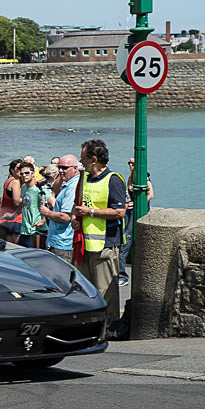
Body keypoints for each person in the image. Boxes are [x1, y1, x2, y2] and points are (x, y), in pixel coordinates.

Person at [71, 139, 127, 324]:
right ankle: (92, 326)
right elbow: (77, 204)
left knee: (106, 293)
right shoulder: (84, 178)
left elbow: (120, 212)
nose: (81, 163)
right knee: (86, 291)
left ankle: (109, 328)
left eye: (83, 159)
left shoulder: (114, 180)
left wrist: (91, 212)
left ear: (94, 159)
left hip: (105, 245)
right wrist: (74, 218)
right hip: (84, 245)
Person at [118, 157, 154, 286]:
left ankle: (123, 277)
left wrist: (138, 204)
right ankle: (122, 274)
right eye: (129, 163)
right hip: (129, 212)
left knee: (128, 241)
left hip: (137, 213)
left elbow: (150, 195)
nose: (130, 165)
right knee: (124, 242)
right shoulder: (130, 177)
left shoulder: (144, 177)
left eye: (132, 163)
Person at [40, 155, 80, 263]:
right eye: (59, 167)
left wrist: (47, 213)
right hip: (59, 241)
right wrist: (60, 175)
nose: (61, 171)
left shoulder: (72, 187)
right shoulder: (69, 183)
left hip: (63, 244)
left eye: (65, 168)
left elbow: (65, 217)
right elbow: (56, 189)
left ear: (75, 168)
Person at [14, 161, 48, 248]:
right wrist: (13, 215)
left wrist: (43, 221)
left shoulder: (39, 189)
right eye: (22, 174)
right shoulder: (23, 187)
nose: (24, 175)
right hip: (24, 229)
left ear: (33, 174)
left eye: (27, 173)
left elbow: (51, 205)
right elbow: (24, 204)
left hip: (36, 230)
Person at [0, 159, 23, 243]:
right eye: (18, 168)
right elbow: (17, 202)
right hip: (15, 220)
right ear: (12, 170)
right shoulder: (15, 182)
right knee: (17, 251)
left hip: (4, 220)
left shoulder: (7, 181)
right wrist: (28, 198)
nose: (21, 171)